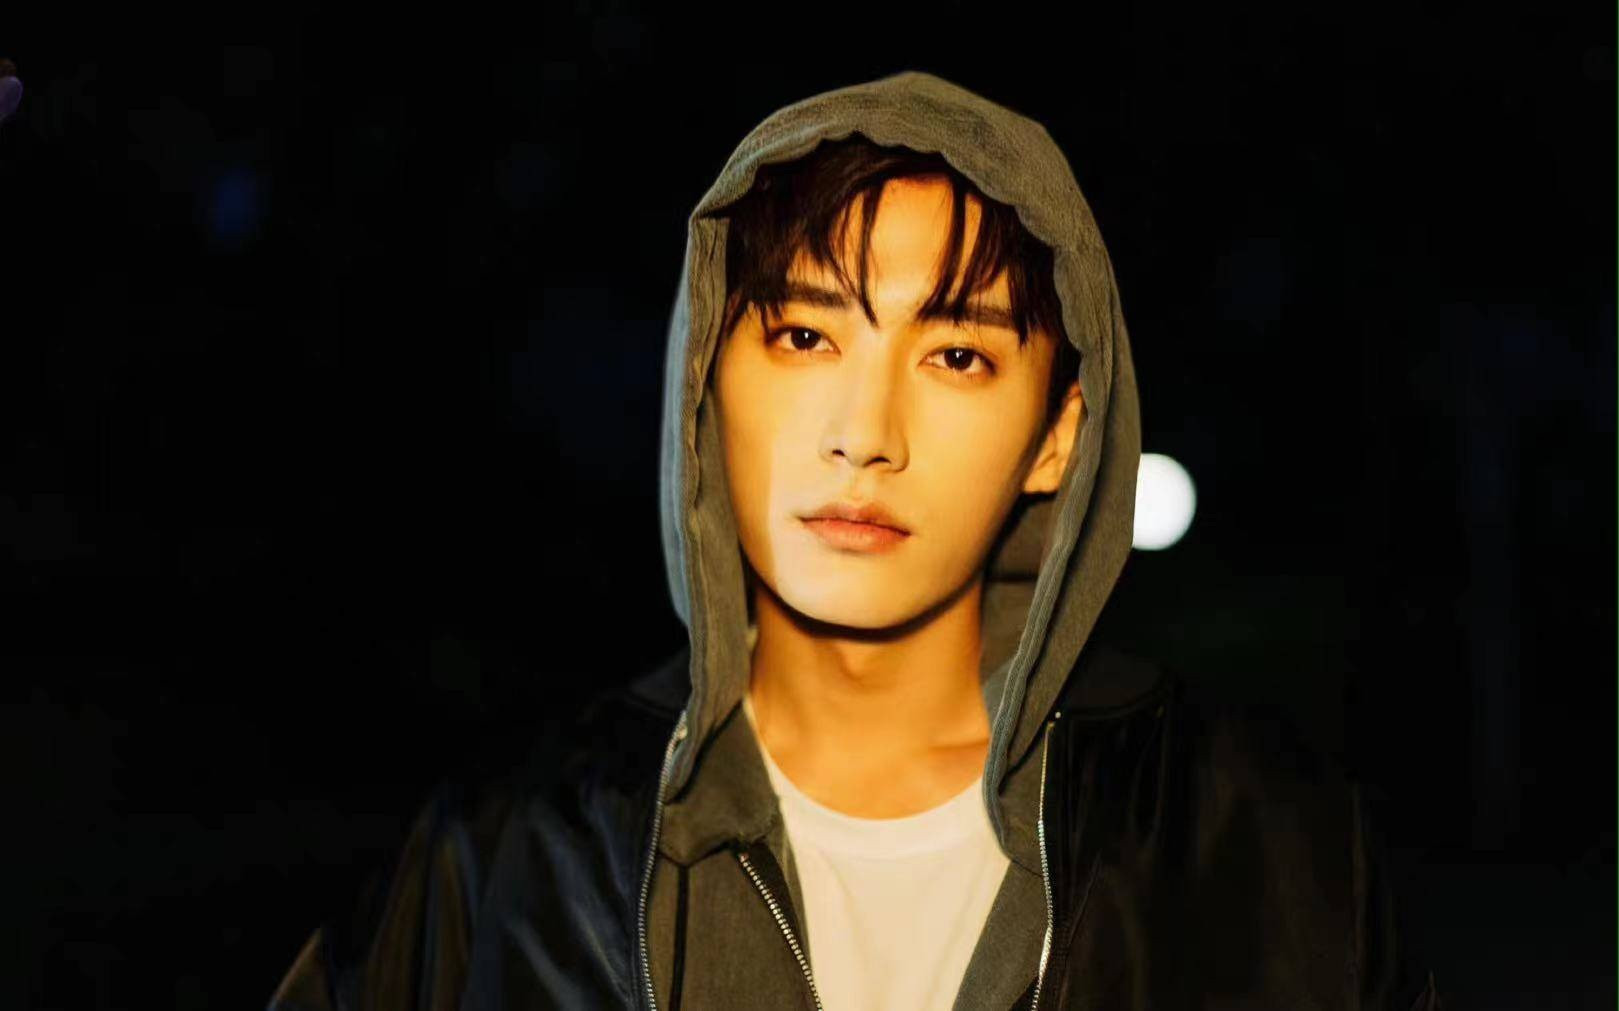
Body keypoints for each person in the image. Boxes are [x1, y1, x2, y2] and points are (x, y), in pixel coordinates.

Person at [269, 70, 1444, 1010]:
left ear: (1056, 438)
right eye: (802, 337)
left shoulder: (1265, 849)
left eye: (956, 356)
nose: (864, 435)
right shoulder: (503, 858)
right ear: (704, 374)